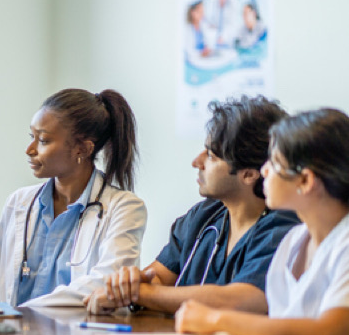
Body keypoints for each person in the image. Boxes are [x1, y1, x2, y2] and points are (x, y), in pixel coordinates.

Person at [84, 95, 300, 315]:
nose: (197, 162)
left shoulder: (283, 226)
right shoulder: (205, 214)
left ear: (248, 174)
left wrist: (139, 294)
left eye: (212, 156)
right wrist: (129, 284)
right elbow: (158, 276)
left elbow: (245, 298)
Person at [176, 109, 349, 335]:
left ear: (305, 181)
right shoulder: (293, 243)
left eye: (275, 163)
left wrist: (216, 319)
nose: (264, 171)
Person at [0, 88, 147, 307]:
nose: (29, 150)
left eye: (43, 140)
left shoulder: (125, 208)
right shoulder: (19, 202)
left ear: (82, 149)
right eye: (31, 137)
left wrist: (20, 313)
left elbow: (107, 284)